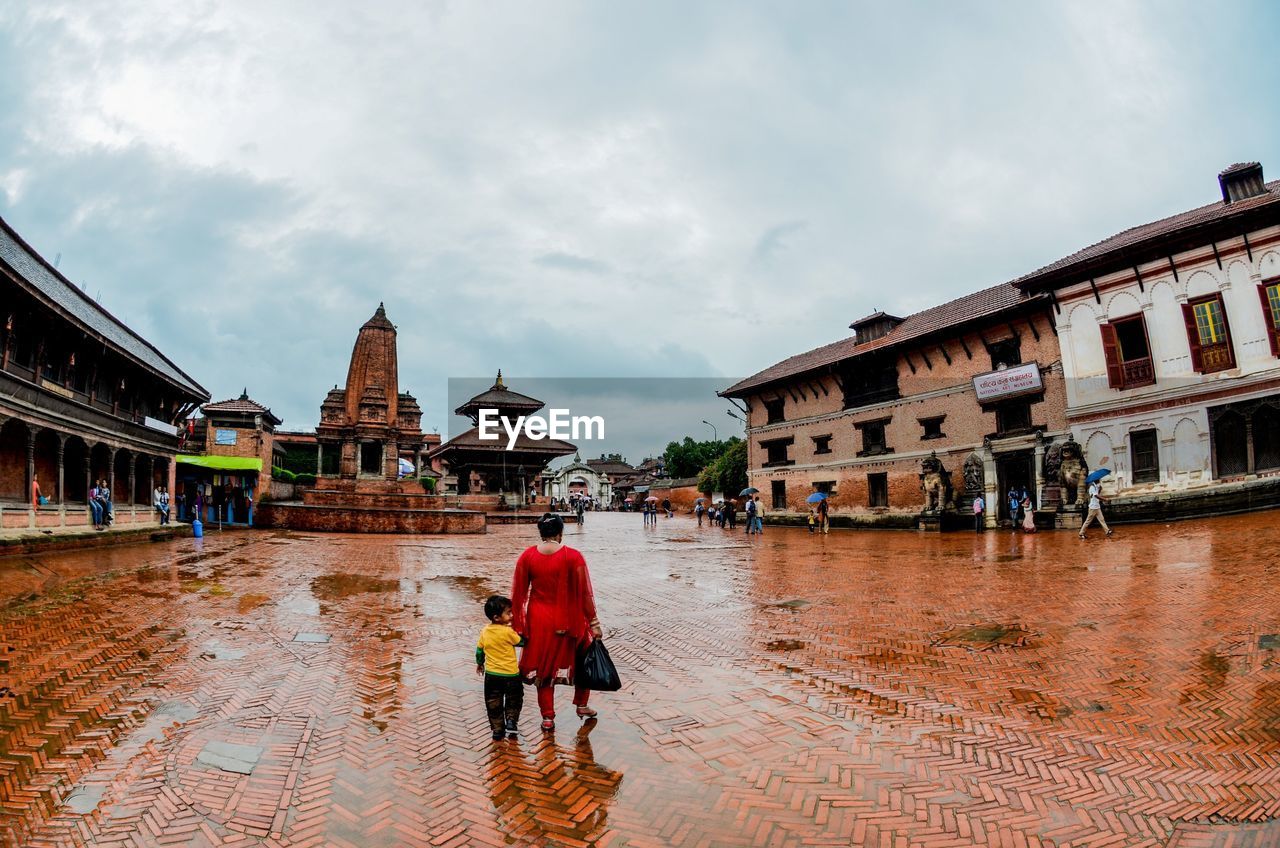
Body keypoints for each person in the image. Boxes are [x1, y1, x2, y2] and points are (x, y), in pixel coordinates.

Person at [512, 513, 603, 732]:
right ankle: (581, 704)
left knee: (544, 670)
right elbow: (584, 593)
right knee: (584, 662)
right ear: (561, 533)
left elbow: (519, 595)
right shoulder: (574, 557)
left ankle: (548, 717)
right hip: (571, 620)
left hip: (540, 620)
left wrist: (519, 625)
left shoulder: (527, 557)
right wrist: (594, 622)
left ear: (541, 533)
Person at [476, 595, 526, 741]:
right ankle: (511, 721)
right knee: (514, 699)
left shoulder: (485, 631)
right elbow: (521, 642)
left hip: (492, 676)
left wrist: (480, 663)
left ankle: (497, 730)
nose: (511, 615)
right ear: (497, 617)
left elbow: (479, 650)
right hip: (511, 675)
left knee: (493, 702)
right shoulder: (508, 632)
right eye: (509, 613)